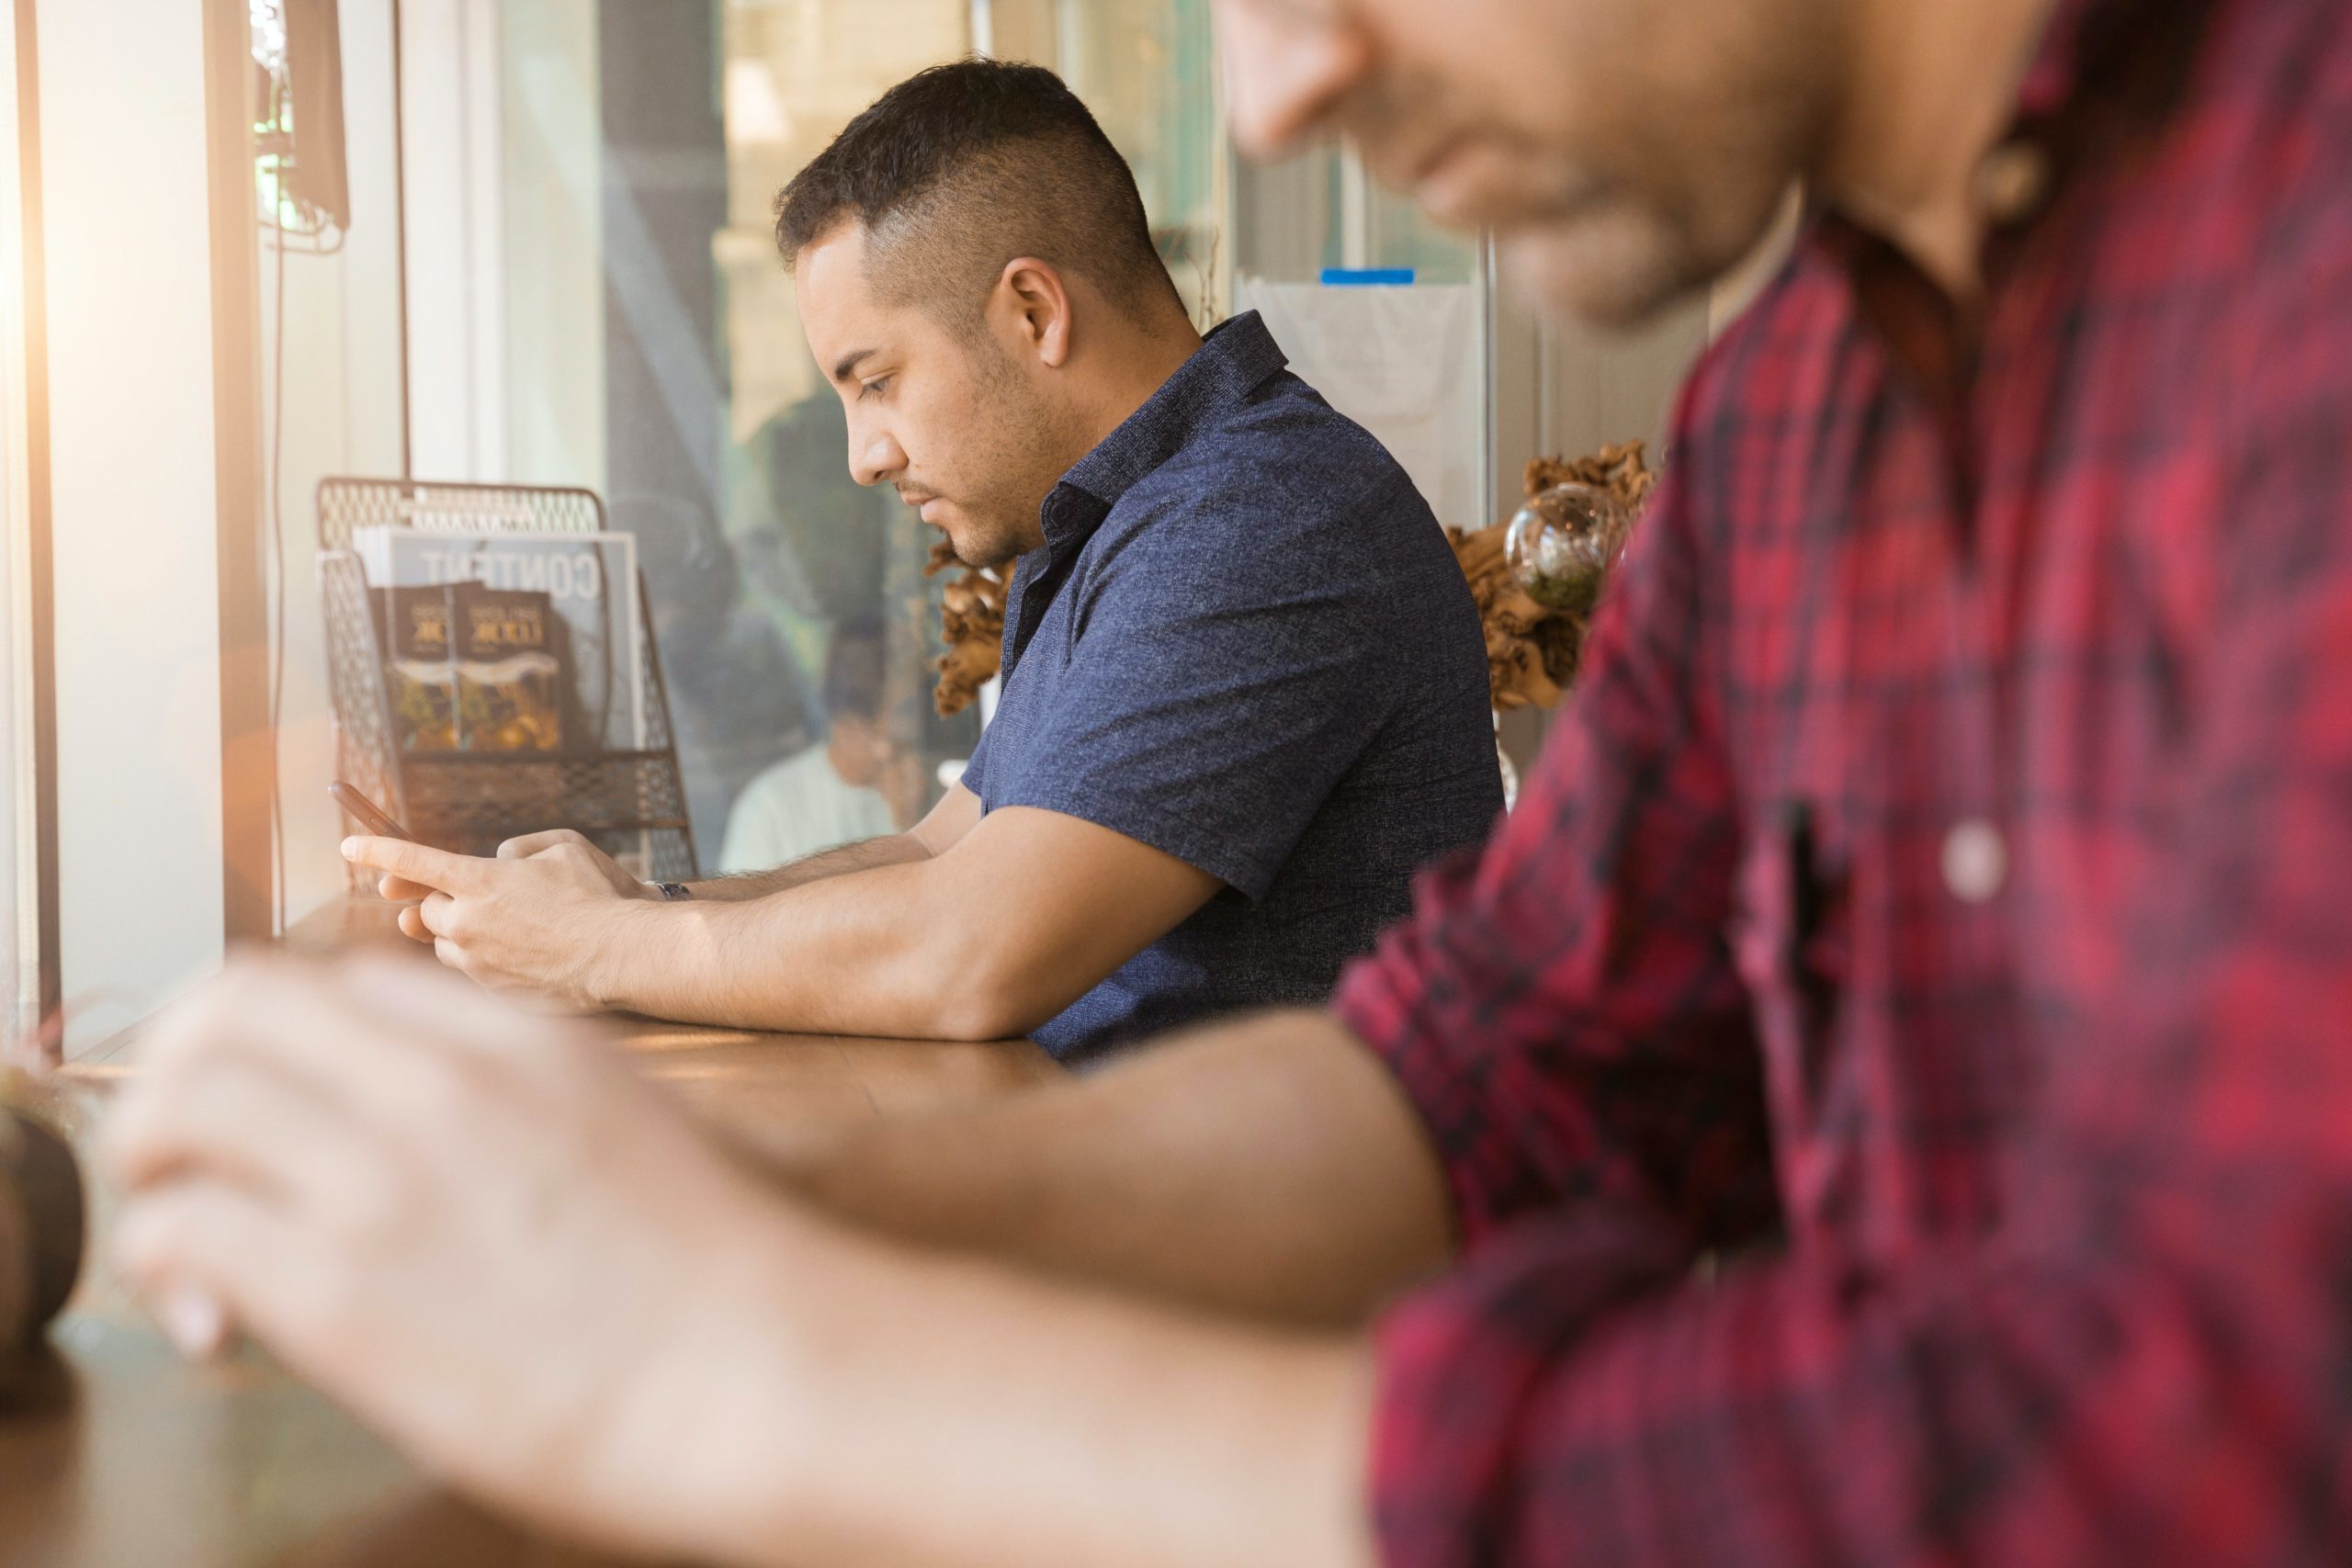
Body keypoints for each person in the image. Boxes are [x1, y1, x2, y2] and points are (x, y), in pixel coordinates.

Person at [107, 0, 2352, 1562]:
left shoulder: (2296, 246)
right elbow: (1490, 1073)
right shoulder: (1798, 413)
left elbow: (2196, 1467)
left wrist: (758, 1360)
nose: (1275, 91)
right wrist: (623, 1205)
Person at [343, 60, 1498, 1063]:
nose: (862, 456)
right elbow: (943, 847)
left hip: (1267, 1280)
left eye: (876, 380)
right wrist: (644, 903)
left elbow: (975, 950)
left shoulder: (1267, 517)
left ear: (1033, 311)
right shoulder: (1131, 518)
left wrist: (598, 948)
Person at [718, 619, 900, 874]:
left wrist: (908, 815)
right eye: (893, 718)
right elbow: (739, 910)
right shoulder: (770, 807)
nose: (891, 747)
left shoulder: (928, 794)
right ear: (846, 721)